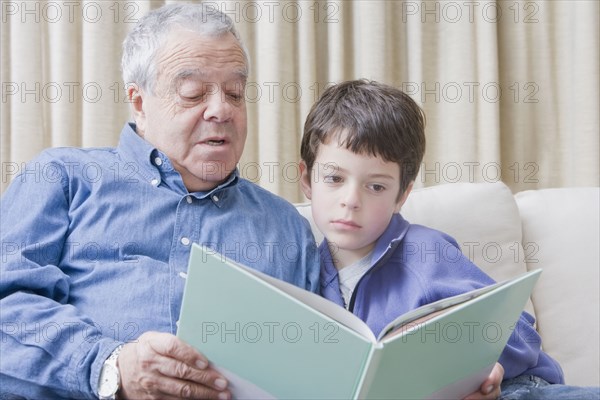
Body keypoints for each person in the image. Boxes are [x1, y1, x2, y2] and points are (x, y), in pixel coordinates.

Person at [0, 4, 320, 399]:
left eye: (235, 93)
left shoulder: (286, 227)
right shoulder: (62, 178)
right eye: (193, 93)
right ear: (139, 101)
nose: (221, 109)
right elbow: (6, 309)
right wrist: (110, 367)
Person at [299, 79, 600, 400]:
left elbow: (521, 335)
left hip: (516, 390)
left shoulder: (425, 251)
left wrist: (473, 352)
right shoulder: (308, 276)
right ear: (307, 180)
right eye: (334, 179)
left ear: (401, 195)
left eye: (375, 187)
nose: (351, 200)